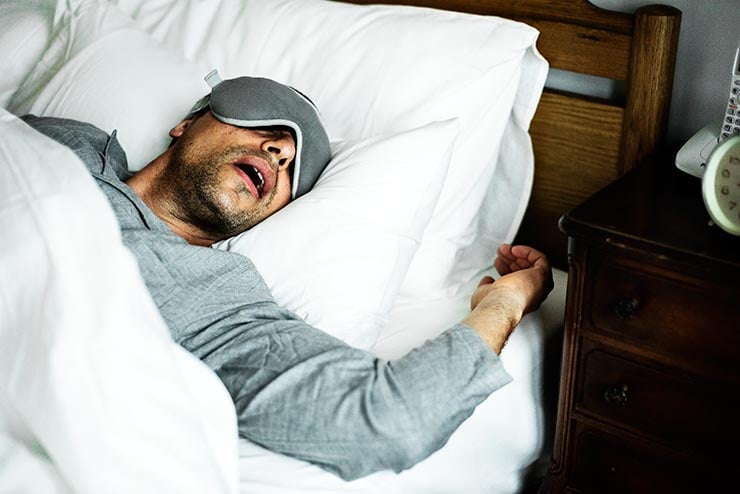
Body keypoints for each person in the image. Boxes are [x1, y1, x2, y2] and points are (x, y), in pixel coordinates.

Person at [22, 74, 553, 481]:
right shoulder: (67, 143)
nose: (280, 151)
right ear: (186, 124)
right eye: (266, 127)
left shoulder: (215, 298)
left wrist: (504, 302)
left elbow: (390, 421)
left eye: (295, 170)